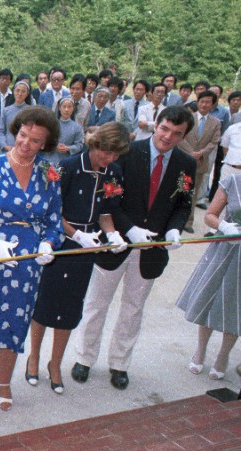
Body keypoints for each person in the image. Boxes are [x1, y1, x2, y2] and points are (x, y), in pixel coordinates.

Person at [73, 106, 196, 390]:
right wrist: (128, 230)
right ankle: (84, 357)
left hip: (153, 247)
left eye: (177, 133)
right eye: (165, 128)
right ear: (156, 123)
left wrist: (174, 229)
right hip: (117, 240)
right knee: (96, 303)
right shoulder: (127, 153)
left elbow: (183, 204)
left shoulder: (186, 164)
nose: (167, 137)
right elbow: (109, 197)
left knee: (133, 308)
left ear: (183, 136)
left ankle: (119, 363)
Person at [0, 107, 63, 411]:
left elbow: (55, 220)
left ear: (44, 144)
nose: (25, 143)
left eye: (34, 140)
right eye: (22, 135)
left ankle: (4, 381)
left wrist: (48, 243)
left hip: (27, 260)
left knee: (14, 320)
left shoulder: (49, 174)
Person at [28, 122, 130, 393]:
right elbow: (51, 211)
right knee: (45, 303)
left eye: (115, 155)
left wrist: (113, 235)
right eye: (106, 152)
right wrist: (75, 234)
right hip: (60, 241)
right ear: (95, 143)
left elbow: (108, 211)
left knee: (71, 306)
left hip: (88, 246)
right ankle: (34, 357)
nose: (109, 159)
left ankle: (55, 363)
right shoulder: (69, 167)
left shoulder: (113, 172)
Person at [176, 173, 240, 380]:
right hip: (225, 249)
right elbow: (210, 215)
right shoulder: (233, 181)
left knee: (236, 305)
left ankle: (224, 355)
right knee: (210, 297)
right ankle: (201, 349)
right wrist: (224, 227)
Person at [179, 90, 222, 223]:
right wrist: (191, 152)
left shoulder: (215, 122)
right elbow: (180, 136)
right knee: (178, 189)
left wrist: (201, 153)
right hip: (183, 159)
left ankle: (188, 221)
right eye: (202, 101)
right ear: (197, 102)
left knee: (193, 193)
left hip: (200, 162)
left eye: (208, 102)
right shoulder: (187, 117)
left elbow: (214, 141)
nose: (204, 104)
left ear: (213, 104)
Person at [44, 97, 83, 166]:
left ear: (73, 109)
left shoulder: (77, 127)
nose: (66, 110)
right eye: (64, 106)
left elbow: (79, 145)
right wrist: (54, 146)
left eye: (69, 107)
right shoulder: (51, 124)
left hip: (67, 161)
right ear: (59, 108)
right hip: (50, 159)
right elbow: (44, 140)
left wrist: (68, 148)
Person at [0, 81, 32, 153]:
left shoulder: (31, 111)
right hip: (7, 148)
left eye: (23, 91)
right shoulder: (6, 110)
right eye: (17, 90)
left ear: (27, 94)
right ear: (13, 92)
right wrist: (4, 145)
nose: (20, 94)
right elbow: (0, 130)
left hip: (24, 148)